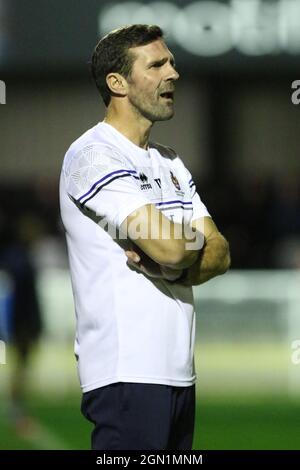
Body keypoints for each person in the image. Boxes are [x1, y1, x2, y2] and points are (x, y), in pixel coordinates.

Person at [59, 24, 230, 450]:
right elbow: (176, 246)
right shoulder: (94, 155)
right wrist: (186, 245)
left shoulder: (169, 162)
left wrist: (174, 263)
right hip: (126, 374)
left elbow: (222, 254)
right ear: (118, 83)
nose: (174, 73)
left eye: (171, 62)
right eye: (157, 64)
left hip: (177, 373)